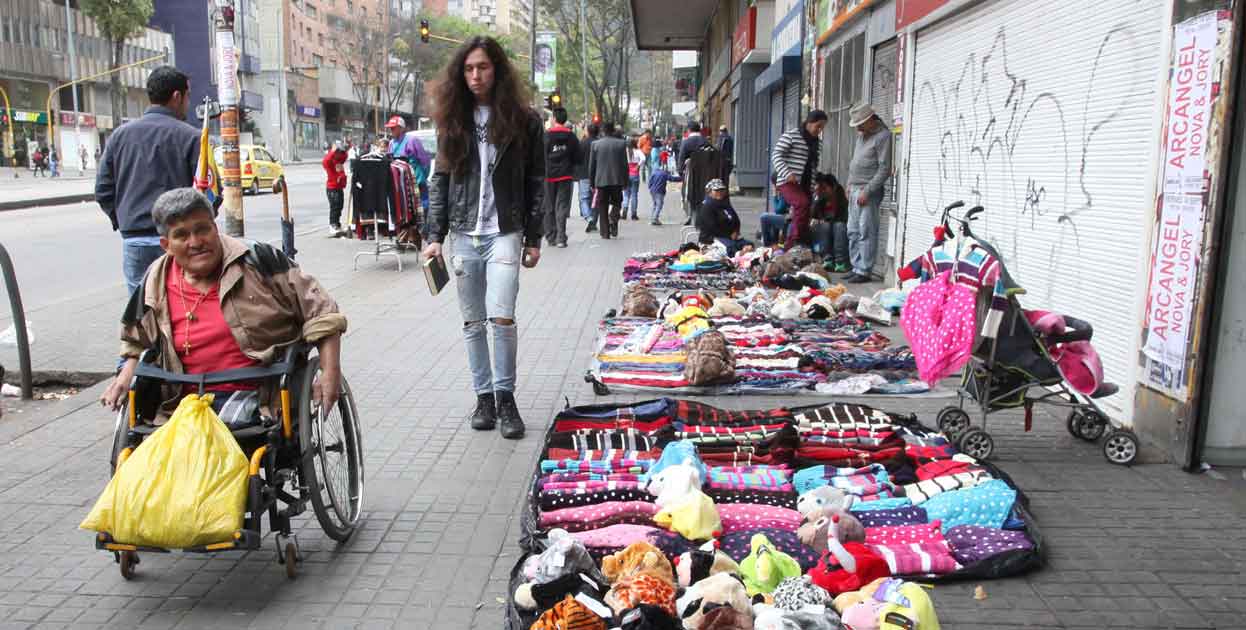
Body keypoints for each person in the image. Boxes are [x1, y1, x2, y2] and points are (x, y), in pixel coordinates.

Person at [98, 188, 348, 423]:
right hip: (182, 401)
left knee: (204, 452)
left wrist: (330, 372)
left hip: (258, 394)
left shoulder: (258, 259)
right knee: (146, 460)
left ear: (214, 228)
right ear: (166, 245)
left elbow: (322, 313)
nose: (195, 242)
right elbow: (136, 341)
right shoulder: (155, 279)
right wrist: (125, 376)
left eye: (202, 230)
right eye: (182, 235)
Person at [422, 36, 545, 440]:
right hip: (463, 234)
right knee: (473, 322)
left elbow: (535, 180)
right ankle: (484, 398)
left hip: (505, 232)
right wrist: (433, 235)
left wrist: (535, 237)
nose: (476, 76)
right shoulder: (452, 118)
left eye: (483, 67)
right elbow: (440, 180)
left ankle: (506, 397)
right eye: (469, 69)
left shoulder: (524, 120)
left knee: (502, 317)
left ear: (498, 70)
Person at [96, 65, 201, 295]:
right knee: (182, 306)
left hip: (135, 240)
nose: (188, 103)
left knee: (141, 311)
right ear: (177, 96)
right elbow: (210, 193)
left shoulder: (119, 136)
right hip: (180, 241)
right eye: (188, 96)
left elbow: (103, 190)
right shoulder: (192, 138)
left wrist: (124, 220)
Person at [844, 103, 893, 284]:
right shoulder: (862, 136)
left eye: (860, 123)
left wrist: (868, 190)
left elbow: (884, 168)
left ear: (870, 120)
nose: (858, 128)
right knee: (853, 230)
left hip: (867, 191)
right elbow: (855, 161)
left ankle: (864, 269)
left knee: (866, 230)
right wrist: (849, 184)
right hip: (855, 188)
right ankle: (856, 265)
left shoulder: (882, 137)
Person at [771, 109, 828, 249]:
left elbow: (814, 166)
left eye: (822, 127)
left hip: (806, 184)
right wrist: (787, 173)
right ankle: (794, 242)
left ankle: (796, 244)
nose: (819, 130)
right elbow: (776, 155)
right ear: (809, 122)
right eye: (818, 126)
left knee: (806, 211)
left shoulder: (817, 144)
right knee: (801, 204)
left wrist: (814, 184)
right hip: (788, 182)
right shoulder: (792, 135)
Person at [542, 107, 580, 247]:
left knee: (549, 206)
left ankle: (551, 237)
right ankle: (561, 238)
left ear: (554, 119)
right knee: (562, 207)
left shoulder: (546, 136)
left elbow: (540, 155)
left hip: (548, 176)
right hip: (565, 175)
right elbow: (578, 157)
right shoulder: (571, 136)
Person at [587, 121, 628, 238]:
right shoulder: (621, 144)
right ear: (613, 130)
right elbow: (624, 164)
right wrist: (625, 181)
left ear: (603, 131)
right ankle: (613, 218)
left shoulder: (595, 144)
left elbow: (592, 166)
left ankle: (605, 233)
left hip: (601, 181)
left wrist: (592, 182)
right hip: (617, 180)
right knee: (617, 202)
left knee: (602, 206)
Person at [385, 114, 432, 209]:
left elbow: (425, 162)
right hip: (400, 184)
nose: (391, 130)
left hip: (416, 182)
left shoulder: (412, 140)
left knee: (421, 209)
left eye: (394, 128)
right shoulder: (391, 143)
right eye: (390, 128)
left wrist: (422, 177)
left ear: (402, 128)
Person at [696, 179, 751, 255]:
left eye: (722, 190)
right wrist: (729, 235)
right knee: (732, 250)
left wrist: (736, 231)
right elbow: (712, 227)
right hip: (712, 239)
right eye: (716, 190)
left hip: (729, 237)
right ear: (709, 192)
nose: (720, 193)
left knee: (749, 245)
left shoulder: (725, 204)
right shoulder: (707, 206)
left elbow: (736, 220)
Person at [809, 172, 850, 271]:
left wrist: (829, 220)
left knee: (839, 226)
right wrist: (817, 197)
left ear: (834, 187)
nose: (824, 191)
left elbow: (843, 217)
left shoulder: (841, 197)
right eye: (822, 188)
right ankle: (828, 260)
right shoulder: (821, 198)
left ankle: (841, 262)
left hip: (839, 226)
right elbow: (813, 214)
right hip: (826, 228)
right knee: (825, 226)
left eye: (826, 188)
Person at [646, 154, 681, 226]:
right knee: (659, 205)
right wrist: (681, 178)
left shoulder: (654, 172)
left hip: (653, 191)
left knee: (655, 204)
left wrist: (650, 188)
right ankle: (655, 218)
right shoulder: (664, 174)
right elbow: (672, 179)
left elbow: (650, 182)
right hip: (659, 191)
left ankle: (653, 217)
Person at [322, 140, 348, 237]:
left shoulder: (339, 160)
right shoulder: (330, 162)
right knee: (335, 207)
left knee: (340, 206)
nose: (339, 154)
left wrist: (343, 149)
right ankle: (332, 225)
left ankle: (337, 224)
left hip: (339, 187)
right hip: (332, 188)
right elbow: (325, 161)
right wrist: (333, 151)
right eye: (338, 152)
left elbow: (345, 156)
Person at [575, 123, 599, 221]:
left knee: (584, 198)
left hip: (584, 174)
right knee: (595, 198)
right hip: (598, 175)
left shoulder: (582, 143)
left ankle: (588, 217)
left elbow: (576, 158)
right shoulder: (600, 143)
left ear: (588, 131)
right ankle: (593, 216)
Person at [623, 137, 644, 220]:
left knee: (626, 194)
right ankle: (634, 214)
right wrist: (638, 166)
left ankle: (624, 210)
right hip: (635, 175)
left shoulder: (625, 151)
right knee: (634, 194)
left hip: (626, 174)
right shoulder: (638, 151)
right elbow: (643, 158)